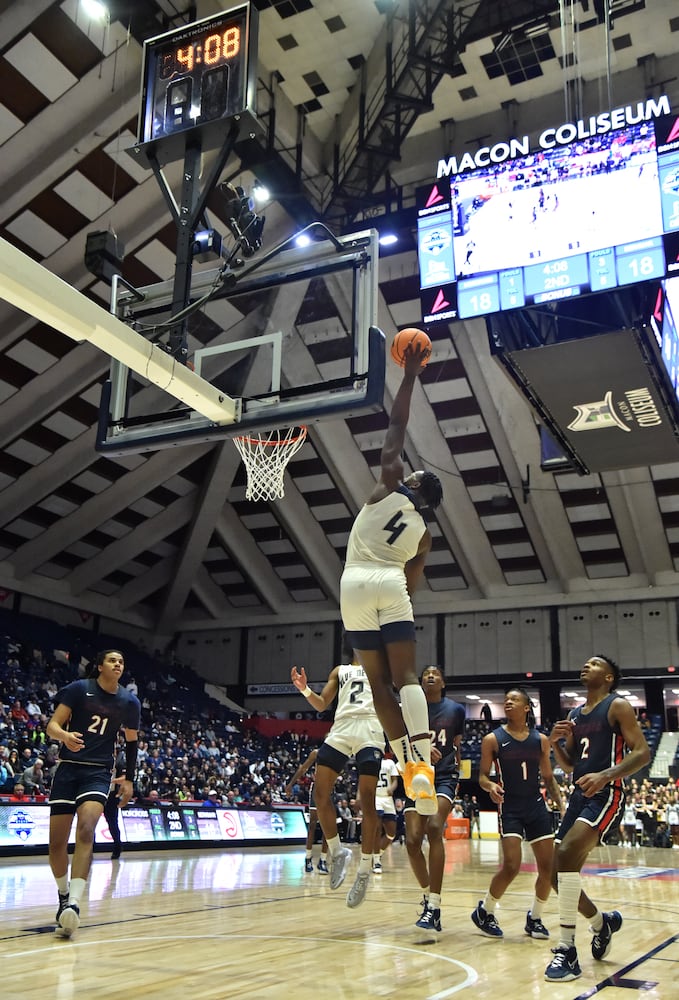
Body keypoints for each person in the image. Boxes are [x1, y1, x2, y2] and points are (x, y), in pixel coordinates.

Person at [339, 344, 443, 816]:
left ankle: (406, 765)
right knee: (405, 677)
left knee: (379, 684)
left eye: (416, 473)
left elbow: (396, 426)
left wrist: (409, 376)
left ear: (414, 484)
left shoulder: (389, 484)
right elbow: (412, 585)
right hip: (390, 584)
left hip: (353, 585)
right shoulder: (424, 537)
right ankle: (421, 763)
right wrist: (396, 611)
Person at [544, 655, 650, 983]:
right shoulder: (575, 714)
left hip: (607, 794)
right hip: (580, 794)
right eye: (585, 664)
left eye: (594, 664)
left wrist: (606, 775)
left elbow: (642, 752)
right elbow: (571, 766)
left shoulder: (617, 706)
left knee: (563, 857)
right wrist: (555, 743)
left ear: (608, 677)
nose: (586, 666)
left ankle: (567, 950)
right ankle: (601, 923)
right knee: (554, 875)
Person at [47, 649, 140, 938]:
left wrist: (130, 779)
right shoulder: (79, 690)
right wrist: (65, 736)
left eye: (121, 661)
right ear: (99, 666)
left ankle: (74, 903)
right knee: (56, 844)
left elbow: (131, 743)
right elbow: (52, 726)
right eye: (112, 660)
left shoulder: (129, 701)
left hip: (98, 772)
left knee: (87, 830)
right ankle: (63, 895)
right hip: (67, 770)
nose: (118, 664)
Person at [290, 646, 384, 908]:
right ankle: (337, 850)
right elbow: (321, 704)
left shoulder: (380, 668)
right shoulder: (340, 671)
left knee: (366, 798)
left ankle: (364, 870)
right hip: (342, 727)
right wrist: (304, 689)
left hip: (370, 726)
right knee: (319, 794)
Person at [471, 687, 563, 941]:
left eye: (514, 700)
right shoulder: (492, 739)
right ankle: (485, 911)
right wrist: (490, 786)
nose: (508, 703)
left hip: (535, 805)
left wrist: (561, 805)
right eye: (506, 700)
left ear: (526, 708)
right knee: (512, 865)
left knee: (547, 868)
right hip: (509, 806)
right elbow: (481, 776)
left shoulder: (541, 740)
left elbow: (547, 776)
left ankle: (535, 918)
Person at [405, 665, 465, 939]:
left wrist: (458, 772)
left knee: (434, 828)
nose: (430, 675)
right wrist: (420, 749)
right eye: (426, 673)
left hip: (444, 776)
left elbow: (457, 744)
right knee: (412, 841)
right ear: (420, 682)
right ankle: (428, 898)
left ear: (443, 682)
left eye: (436, 673)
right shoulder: (410, 706)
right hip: (415, 774)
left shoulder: (456, 710)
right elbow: (399, 741)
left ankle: (435, 905)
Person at [285, 747, 329, 873]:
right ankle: (308, 857)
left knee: (328, 827)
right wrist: (291, 784)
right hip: (317, 789)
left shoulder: (338, 755)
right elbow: (303, 768)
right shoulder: (317, 753)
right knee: (312, 825)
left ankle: (323, 860)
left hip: (330, 789)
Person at [373, 752, 399, 873]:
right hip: (376, 797)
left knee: (391, 833)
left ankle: (378, 854)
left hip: (388, 799)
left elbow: (395, 781)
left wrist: (391, 788)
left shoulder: (390, 763)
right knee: (377, 829)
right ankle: (376, 861)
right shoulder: (371, 761)